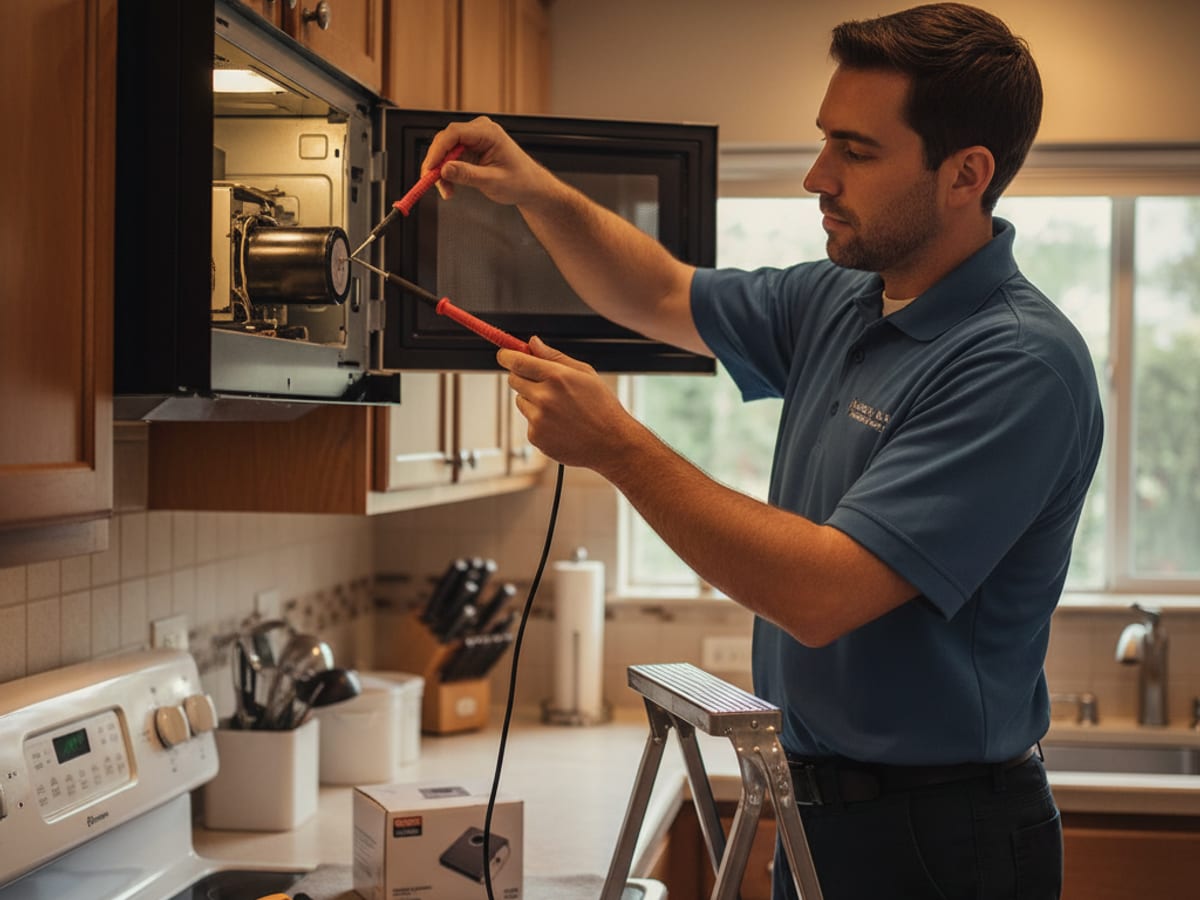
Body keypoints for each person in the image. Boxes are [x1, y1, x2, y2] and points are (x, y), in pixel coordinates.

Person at [422, 3, 1102, 898]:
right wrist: (533, 188)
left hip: (940, 837)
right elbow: (659, 292)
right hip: (819, 809)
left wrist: (617, 446)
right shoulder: (843, 299)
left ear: (965, 174)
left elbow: (819, 593)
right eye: (825, 141)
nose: (817, 176)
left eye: (856, 152)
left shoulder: (1015, 363)